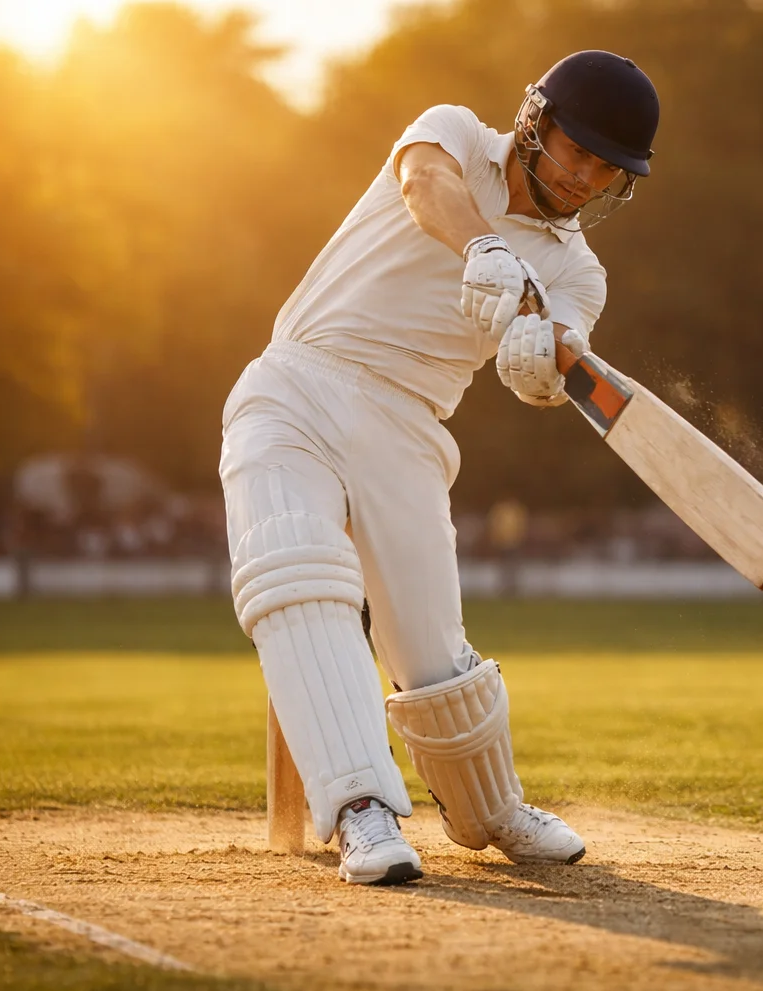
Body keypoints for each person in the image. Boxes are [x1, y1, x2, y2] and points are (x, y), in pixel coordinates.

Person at [219, 51, 659, 884]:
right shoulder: (454, 133)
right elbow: (424, 185)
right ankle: (362, 810)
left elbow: (561, 349)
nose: (586, 178)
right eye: (579, 151)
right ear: (535, 121)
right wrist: (484, 248)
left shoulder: (577, 271)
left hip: (409, 427)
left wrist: (541, 364)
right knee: (297, 573)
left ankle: (489, 811)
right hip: (296, 385)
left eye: (608, 170)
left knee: (432, 658)